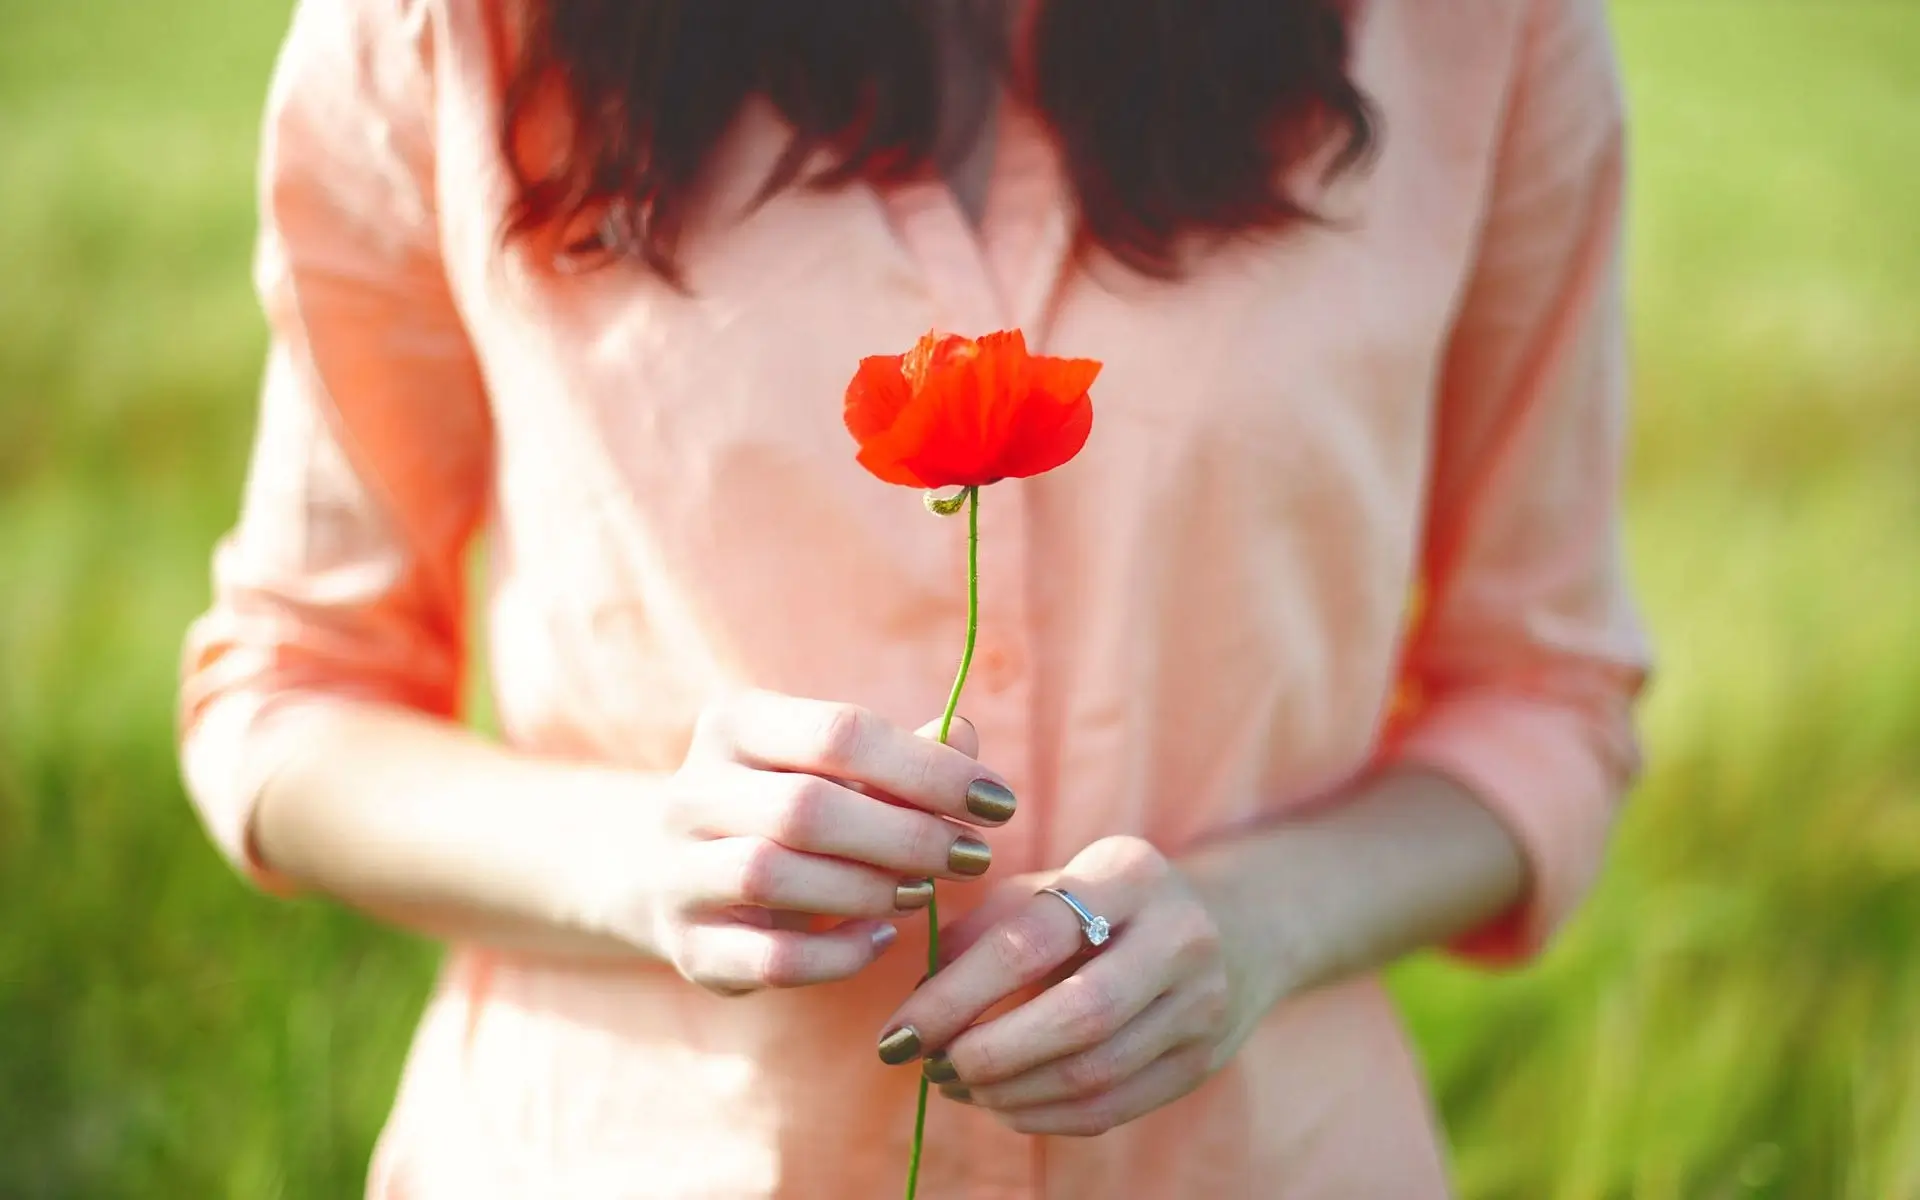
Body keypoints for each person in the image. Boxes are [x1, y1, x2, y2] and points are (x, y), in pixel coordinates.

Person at [176, 0, 1650, 1195]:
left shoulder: (1480, 37)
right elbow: (289, 699)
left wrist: (1258, 924)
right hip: (614, 1153)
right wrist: (639, 856)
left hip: (1264, 1160)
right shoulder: (447, 36)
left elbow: (1547, 699)